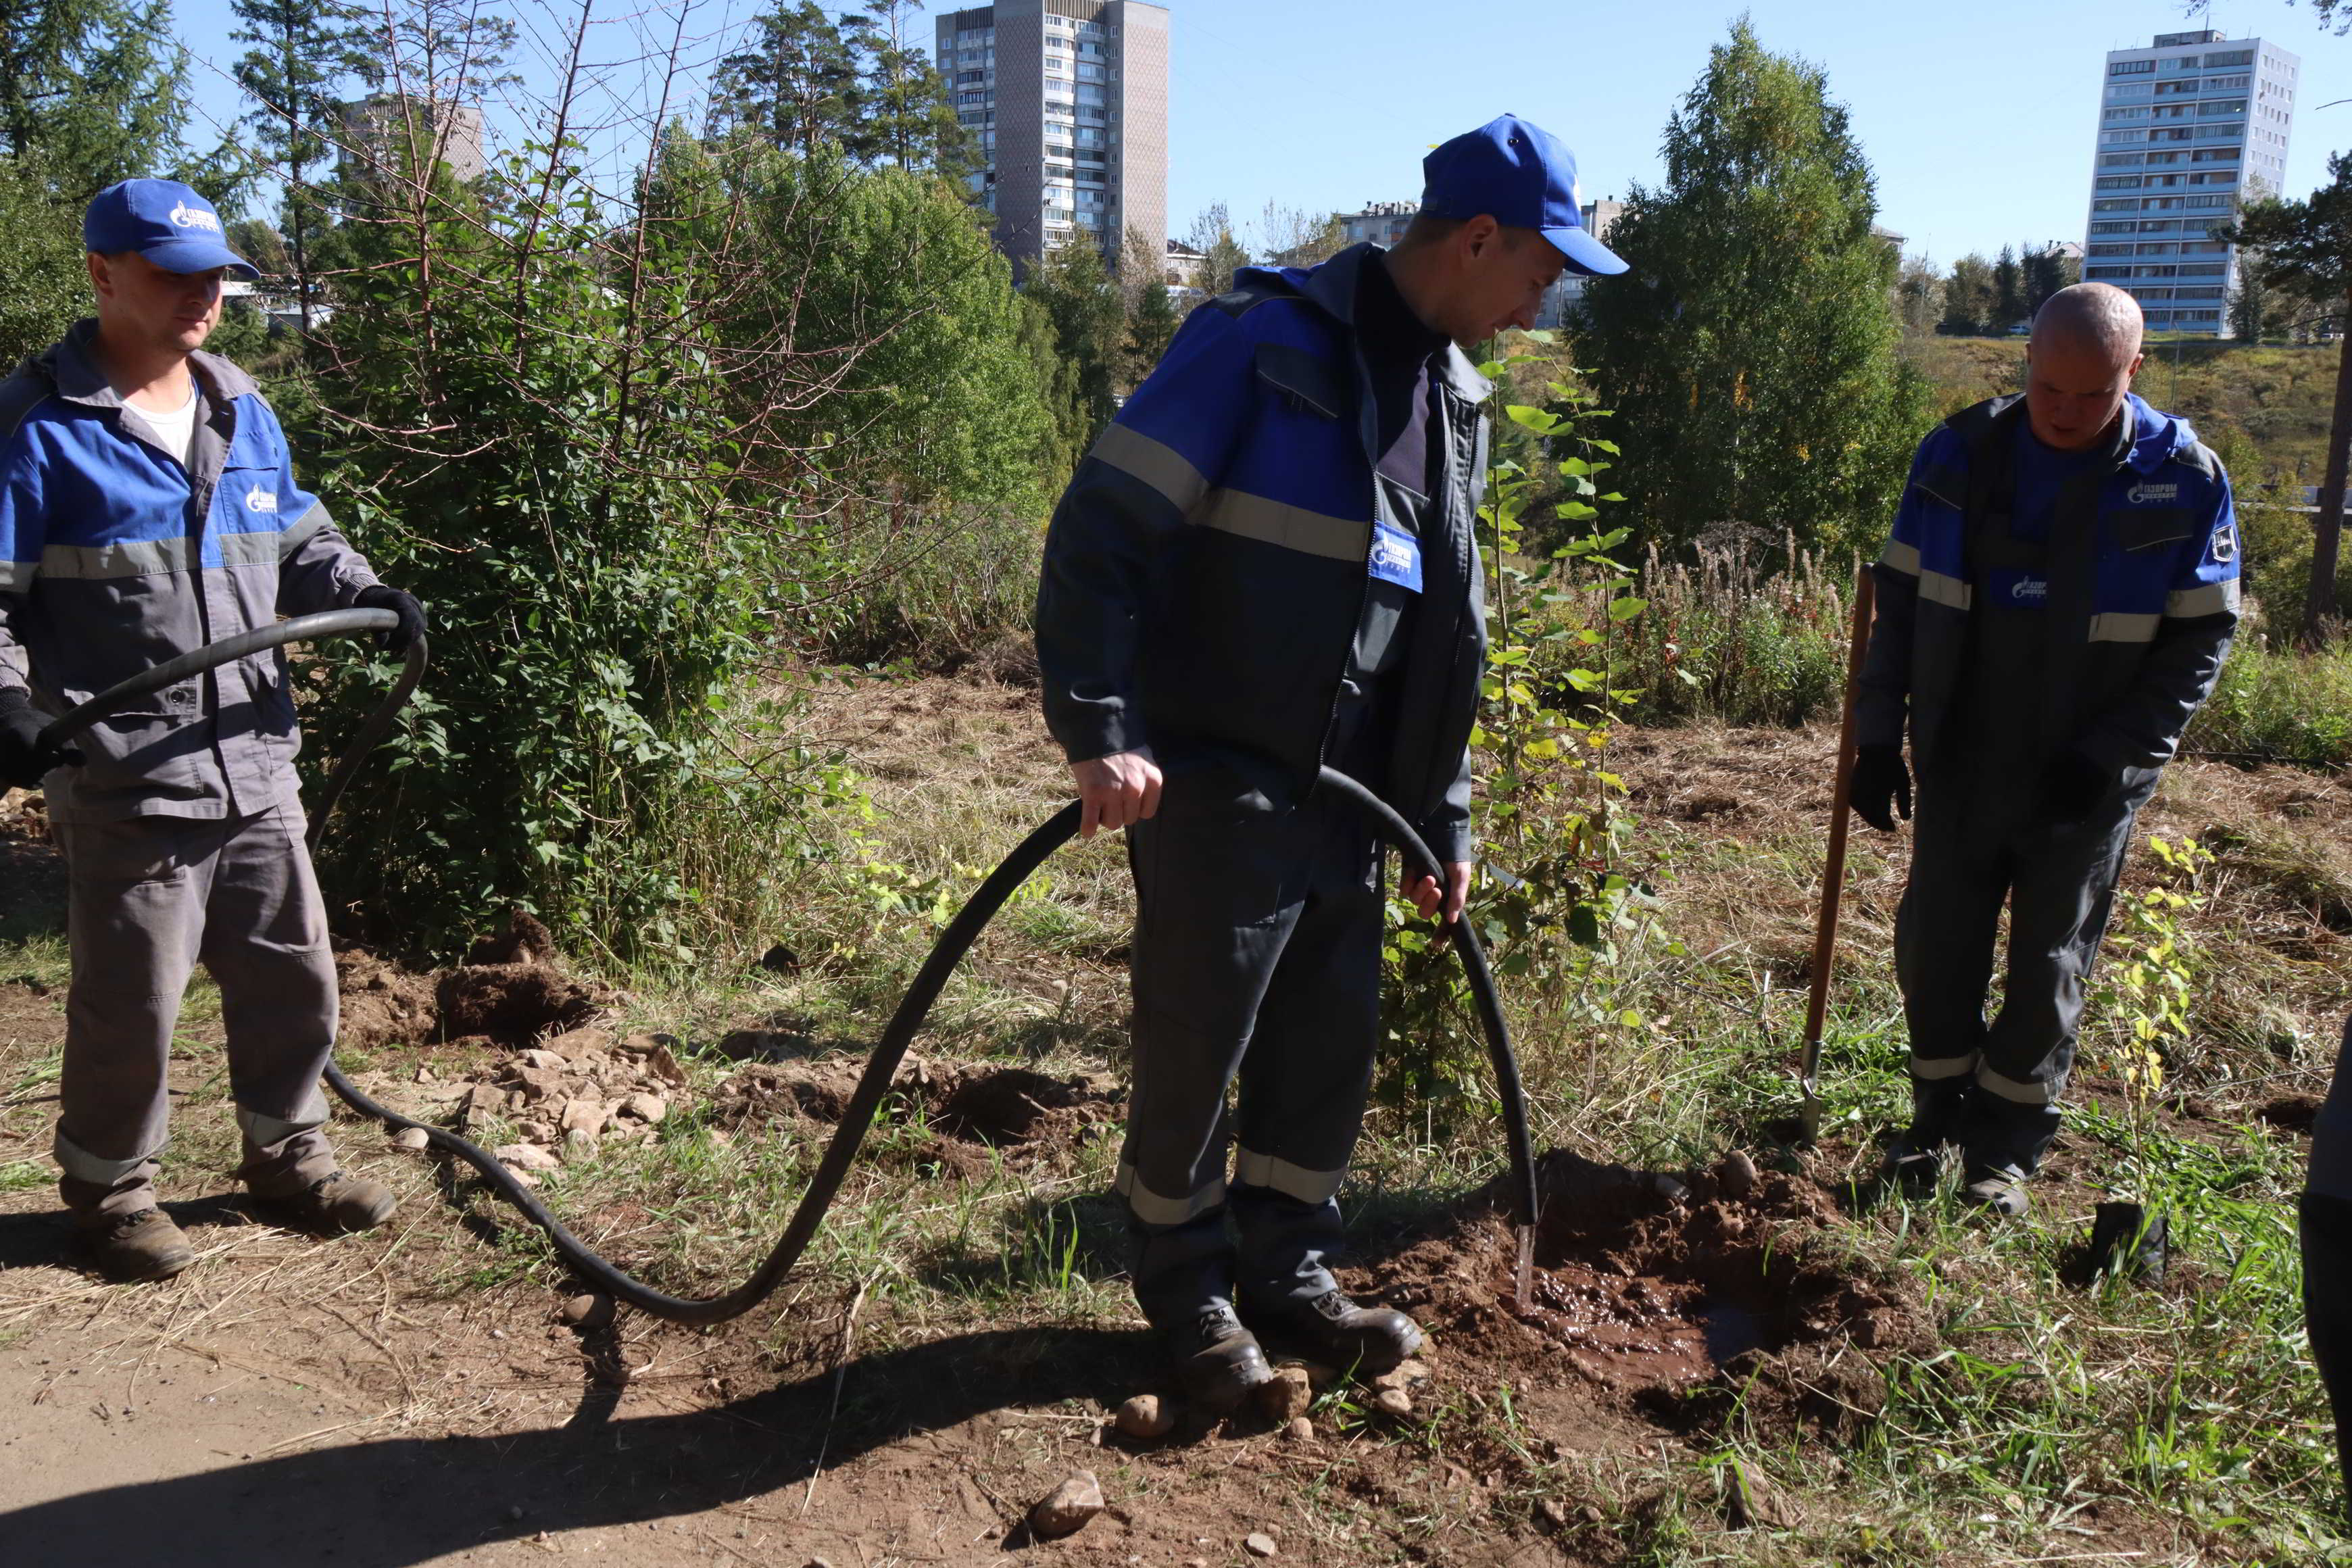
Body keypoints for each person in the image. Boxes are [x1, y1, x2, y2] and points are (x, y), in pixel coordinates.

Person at [1035, 116, 1625, 1406]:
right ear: (1477, 238)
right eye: (1541, 270)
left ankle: (1288, 1275)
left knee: (1324, 1050)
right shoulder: (1258, 343)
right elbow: (1101, 535)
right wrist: (1104, 730)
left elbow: (1442, 637)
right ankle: (1186, 1297)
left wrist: (1444, 820)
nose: (1544, 302)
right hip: (1216, 778)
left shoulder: (1452, 400)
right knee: (1199, 1046)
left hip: (1354, 807)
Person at [0, 179, 428, 1282]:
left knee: (295, 970)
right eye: (172, 273)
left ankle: (287, 1159)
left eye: (216, 277)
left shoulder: (241, 406)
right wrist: (14, 708)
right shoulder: (38, 429)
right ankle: (112, 1192)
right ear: (101, 275)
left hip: (254, 751)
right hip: (127, 771)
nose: (203, 296)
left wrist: (369, 590)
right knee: (132, 1000)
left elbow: (296, 536)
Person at [1851, 282, 2238, 1217]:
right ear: (2025, 359)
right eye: (2047, 389)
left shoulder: (2184, 477)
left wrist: (2111, 755)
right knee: (1936, 942)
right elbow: (1897, 610)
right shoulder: (1955, 454)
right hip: (1963, 754)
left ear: (2132, 372)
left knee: (2050, 956)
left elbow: (2200, 643)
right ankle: (1937, 1121)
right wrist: (1875, 738)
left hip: (2086, 776)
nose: (2063, 413)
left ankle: (2007, 1150)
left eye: (2091, 395)